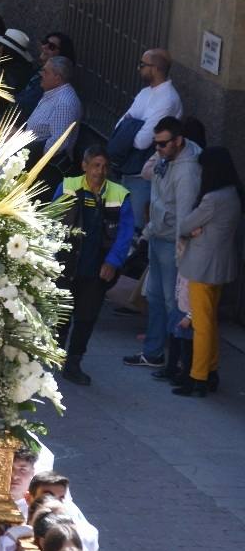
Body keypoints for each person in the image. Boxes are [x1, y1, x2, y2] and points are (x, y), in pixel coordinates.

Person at [123, 117, 200, 369]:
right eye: (155, 144)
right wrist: (159, 157)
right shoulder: (164, 158)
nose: (158, 149)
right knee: (155, 297)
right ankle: (154, 352)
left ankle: (174, 359)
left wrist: (181, 252)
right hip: (158, 233)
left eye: (163, 144)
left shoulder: (187, 170)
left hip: (171, 241)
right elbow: (147, 174)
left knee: (172, 301)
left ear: (178, 141)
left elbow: (185, 216)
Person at [54, 147, 134, 385]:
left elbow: (125, 233)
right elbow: (52, 220)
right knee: (61, 314)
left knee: (86, 318)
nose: (100, 171)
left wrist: (113, 262)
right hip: (68, 263)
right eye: (95, 165)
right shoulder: (68, 186)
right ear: (84, 166)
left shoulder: (119, 194)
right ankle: (54, 355)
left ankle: (74, 363)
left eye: (104, 166)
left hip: (97, 268)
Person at [173, 146, 244, 397]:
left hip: (201, 268)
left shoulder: (212, 199)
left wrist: (190, 230)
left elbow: (186, 224)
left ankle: (198, 377)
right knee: (210, 322)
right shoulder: (233, 194)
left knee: (201, 326)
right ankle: (210, 372)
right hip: (222, 266)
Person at [109, 49, 182, 231]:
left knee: (135, 225)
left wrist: (131, 125)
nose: (138, 68)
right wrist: (134, 126)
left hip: (144, 174)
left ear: (155, 68)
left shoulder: (168, 99)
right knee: (123, 223)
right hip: (128, 167)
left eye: (142, 65)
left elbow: (142, 141)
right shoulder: (144, 93)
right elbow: (118, 127)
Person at [27, 55, 83, 162]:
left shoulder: (63, 103)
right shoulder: (53, 93)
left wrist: (28, 153)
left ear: (57, 78)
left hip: (40, 164)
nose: (41, 74)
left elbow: (58, 144)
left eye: (46, 72)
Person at [17, 31, 77, 118]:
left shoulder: (54, 84)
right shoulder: (37, 71)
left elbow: (27, 105)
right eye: (45, 42)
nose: (44, 47)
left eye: (51, 47)